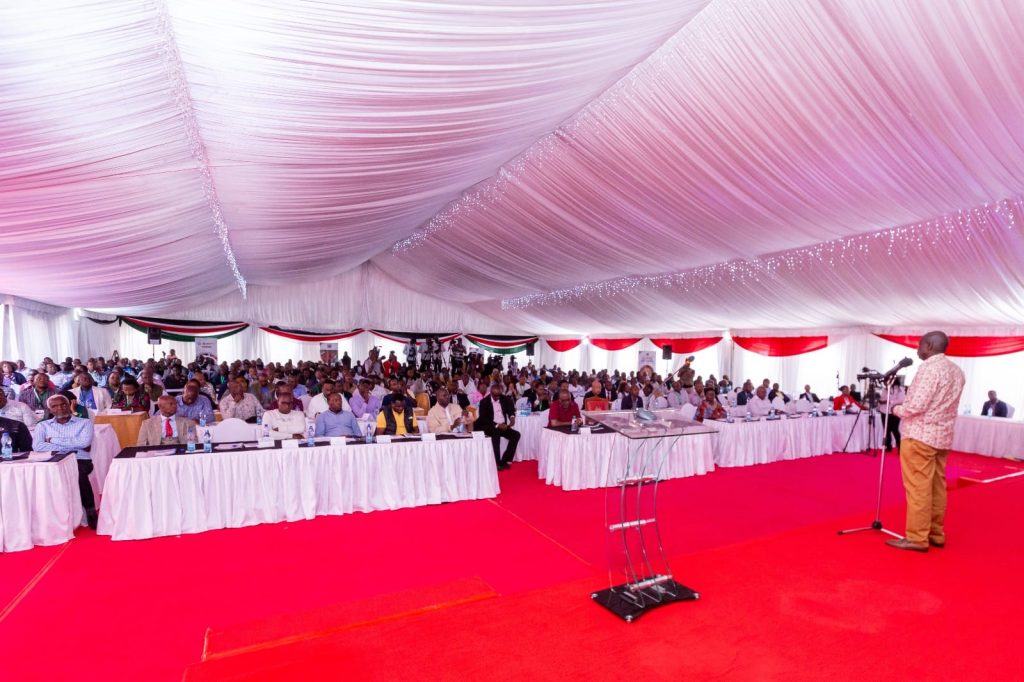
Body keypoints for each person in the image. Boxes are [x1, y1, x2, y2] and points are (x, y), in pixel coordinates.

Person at [883, 331, 966, 552]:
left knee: (918, 488)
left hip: (920, 436)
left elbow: (915, 406)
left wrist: (895, 408)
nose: (918, 350)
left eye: (920, 345)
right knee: (937, 487)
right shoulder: (956, 371)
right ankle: (935, 533)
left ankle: (917, 538)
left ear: (928, 346)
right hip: (942, 437)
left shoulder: (929, 369)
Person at [33, 395, 97, 529]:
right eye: (55, 406)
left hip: (80, 460)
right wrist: (73, 445)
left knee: (78, 473)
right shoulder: (42, 426)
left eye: (63, 404)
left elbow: (85, 443)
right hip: (52, 461)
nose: (60, 408)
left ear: (69, 406)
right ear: (50, 410)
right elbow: (38, 447)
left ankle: (90, 512)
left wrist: (52, 440)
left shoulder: (84, 422)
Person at [477, 383, 519, 470]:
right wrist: (497, 425)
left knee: (516, 435)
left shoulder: (505, 399)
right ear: (491, 393)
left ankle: (506, 460)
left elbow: (511, 410)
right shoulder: (484, 402)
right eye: (495, 395)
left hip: (503, 425)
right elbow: (483, 419)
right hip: (490, 426)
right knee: (495, 434)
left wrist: (512, 418)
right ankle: (496, 462)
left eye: (499, 395)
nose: (498, 397)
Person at [879, 378, 906, 451]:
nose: (884, 382)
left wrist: (890, 401)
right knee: (886, 430)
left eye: (886, 381)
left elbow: (902, 400)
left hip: (895, 411)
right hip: (884, 411)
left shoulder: (900, 389)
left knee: (895, 429)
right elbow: (882, 399)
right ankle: (888, 446)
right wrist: (882, 401)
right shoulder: (885, 389)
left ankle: (900, 447)